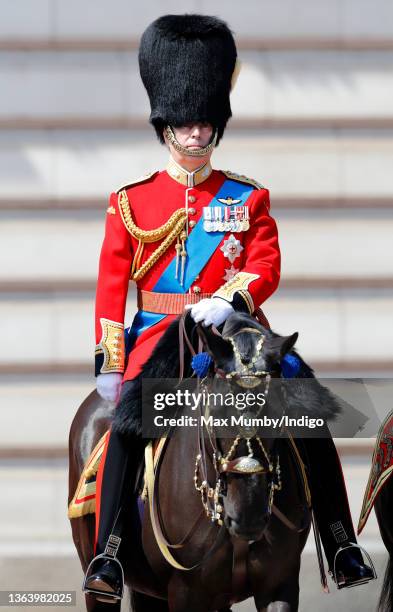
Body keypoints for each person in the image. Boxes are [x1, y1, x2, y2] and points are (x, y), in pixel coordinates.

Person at [83, 14, 374, 603]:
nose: (195, 135)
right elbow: (111, 285)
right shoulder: (131, 201)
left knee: (308, 405)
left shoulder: (247, 196)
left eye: (204, 124)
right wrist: (111, 364)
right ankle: (111, 552)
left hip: (236, 333)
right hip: (159, 334)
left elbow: (266, 262)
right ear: (166, 127)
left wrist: (231, 299)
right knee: (128, 426)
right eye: (185, 124)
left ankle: (340, 540)